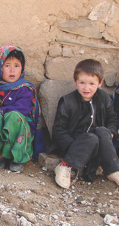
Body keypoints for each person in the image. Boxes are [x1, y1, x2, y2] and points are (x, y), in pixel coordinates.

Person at [51, 59, 119, 189]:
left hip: (98, 146)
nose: (86, 88)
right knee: (91, 137)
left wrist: (109, 134)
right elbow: (58, 130)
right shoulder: (68, 101)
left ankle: (113, 170)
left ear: (100, 83)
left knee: (102, 132)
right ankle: (65, 166)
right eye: (82, 83)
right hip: (74, 144)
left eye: (92, 84)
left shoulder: (104, 98)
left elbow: (112, 120)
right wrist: (72, 146)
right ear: (75, 81)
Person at [0, 46, 44, 172]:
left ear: (22, 68)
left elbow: (22, 108)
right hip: (0, 125)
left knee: (13, 117)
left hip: (19, 128)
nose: (12, 70)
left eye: (17, 65)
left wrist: (1, 111)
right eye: (7, 65)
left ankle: (16, 157)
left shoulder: (24, 88)